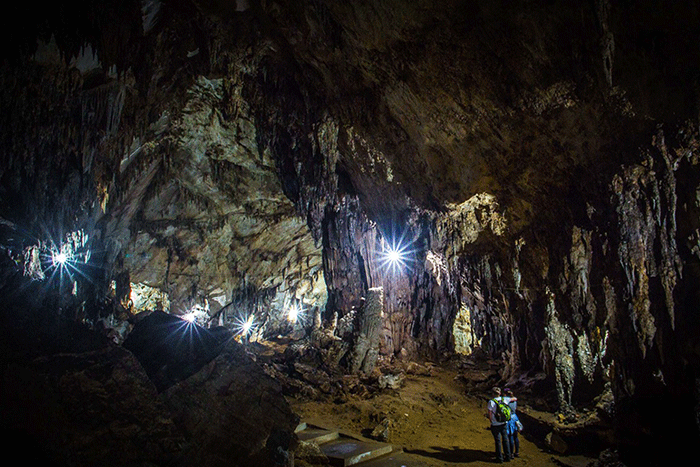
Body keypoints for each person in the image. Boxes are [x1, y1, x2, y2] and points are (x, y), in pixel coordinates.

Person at [486, 387, 511, 463]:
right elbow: (514, 399)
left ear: (493, 394)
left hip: (495, 424)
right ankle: (508, 456)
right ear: (500, 393)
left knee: (498, 441)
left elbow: (489, 414)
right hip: (504, 423)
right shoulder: (505, 399)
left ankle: (499, 458)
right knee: (505, 439)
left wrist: (491, 421)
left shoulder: (491, 402)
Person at [504, 388, 520, 459]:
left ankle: (511, 453)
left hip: (509, 418)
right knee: (515, 436)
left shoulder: (506, 401)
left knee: (510, 436)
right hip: (515, 417)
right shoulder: (514, 400)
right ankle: (517, 452)